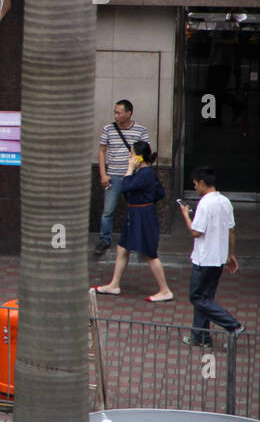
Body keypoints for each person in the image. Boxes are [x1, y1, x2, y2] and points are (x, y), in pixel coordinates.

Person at [95, 141, 172, 301]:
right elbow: (159, 192)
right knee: (122, 248)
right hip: (137, 212)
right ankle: (114, 284)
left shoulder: (145, 173)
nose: (129, 157)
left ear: (138, 157)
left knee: (150, 253)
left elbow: (125, 186)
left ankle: (165, 290)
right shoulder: (145, 172)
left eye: (131, 154)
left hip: (142, 215)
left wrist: (129, 169)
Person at [181, 166, 242, 347]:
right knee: (205, 298)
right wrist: (230, 255)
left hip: (204, 258)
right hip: (219, 258)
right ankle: (201, 337)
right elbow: (231, 231)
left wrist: (186, 215)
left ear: (202, 183)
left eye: (195, 185)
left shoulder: (205, 204)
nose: (194, 188)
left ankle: (232, 325)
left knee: (197, 298)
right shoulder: (225, 202)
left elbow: (195, 232)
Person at [95, 99, 150, 254]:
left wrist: (137, 170)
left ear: (128, 113)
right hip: (113, 175)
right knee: (108, 210)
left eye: (119, 112)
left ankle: (136, 238)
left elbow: (145, 152)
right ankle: (104, 240)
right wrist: (103, 174)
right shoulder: (108, 129)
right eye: (115, 112)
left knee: (136, 208)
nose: (116, 115)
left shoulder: (140, 130)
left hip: (133, 176)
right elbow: (101, 151)